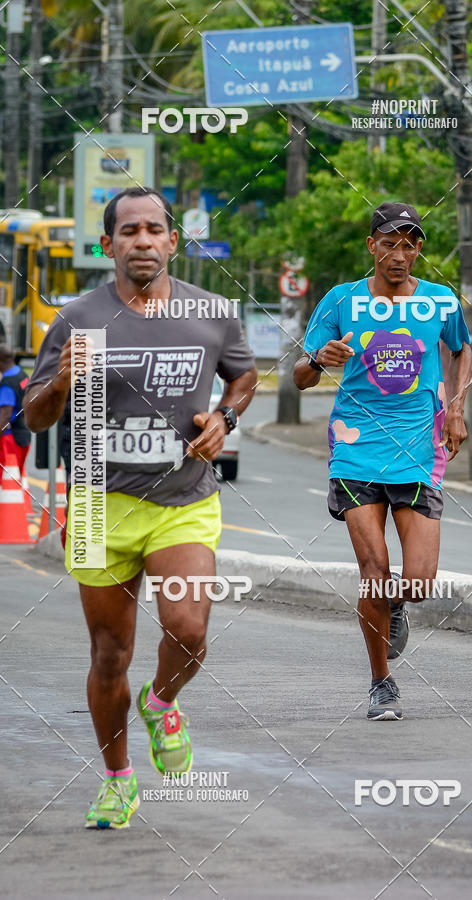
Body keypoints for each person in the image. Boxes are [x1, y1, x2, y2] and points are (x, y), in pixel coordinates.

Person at [24, 187, 257, 828]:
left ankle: (161, 701)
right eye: (129, 231)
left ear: (173, 241)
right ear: (109, 246)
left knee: (189, 628)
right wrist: (66, 379)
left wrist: (227, 416)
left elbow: (243, 374)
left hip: (182, 500)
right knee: (108, 654)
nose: (144, 241)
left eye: (155, 229)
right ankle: (118, 779)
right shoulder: (76, 319)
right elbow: (35, 416)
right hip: (101, 504)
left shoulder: (212, 313)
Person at [294, 202, 472, 721]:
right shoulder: (341, 300)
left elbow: (460, 350)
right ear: (372, 246)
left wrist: (456, 409)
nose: (401, 253)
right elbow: (301, 377)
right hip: (355, 445)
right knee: (374, 570)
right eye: (390, 243)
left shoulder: (440, 300)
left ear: (419, 249)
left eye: (411, 243)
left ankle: (394, 606)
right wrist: (316, 360)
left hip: (420, 448)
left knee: (417, 583)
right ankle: (381, 683)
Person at [0, 345, 31, 476]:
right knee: (16, 478)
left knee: (7, 479)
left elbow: (5, 416)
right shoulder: (21, 373)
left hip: (10, 439)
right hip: (24, 434)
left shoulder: (7, 384)